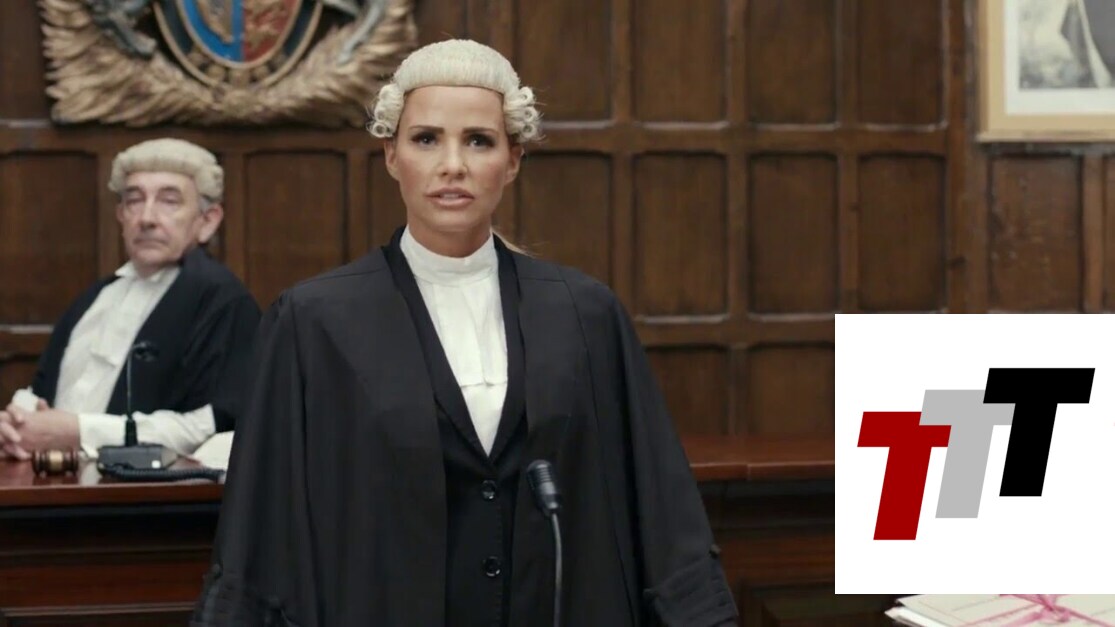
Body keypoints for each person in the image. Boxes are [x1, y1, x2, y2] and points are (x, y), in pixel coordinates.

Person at [193, 40, 737, 627]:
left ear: (513, 159)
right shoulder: (314, 320)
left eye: (479, 140)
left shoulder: (585, 313)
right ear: (391, 155)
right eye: (426, 139)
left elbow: (657, 503)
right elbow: (262, 526)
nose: (452, 164)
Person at [0, 138, 261, 461]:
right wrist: (14, 423)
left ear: (207, 221)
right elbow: (40, 393)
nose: (147, 218)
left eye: (169, 201)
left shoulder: (223, 302)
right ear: (121, 215)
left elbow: (213, 427)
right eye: (135, 201)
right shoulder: (96, 296)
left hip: (139, 489)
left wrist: (81, 431)